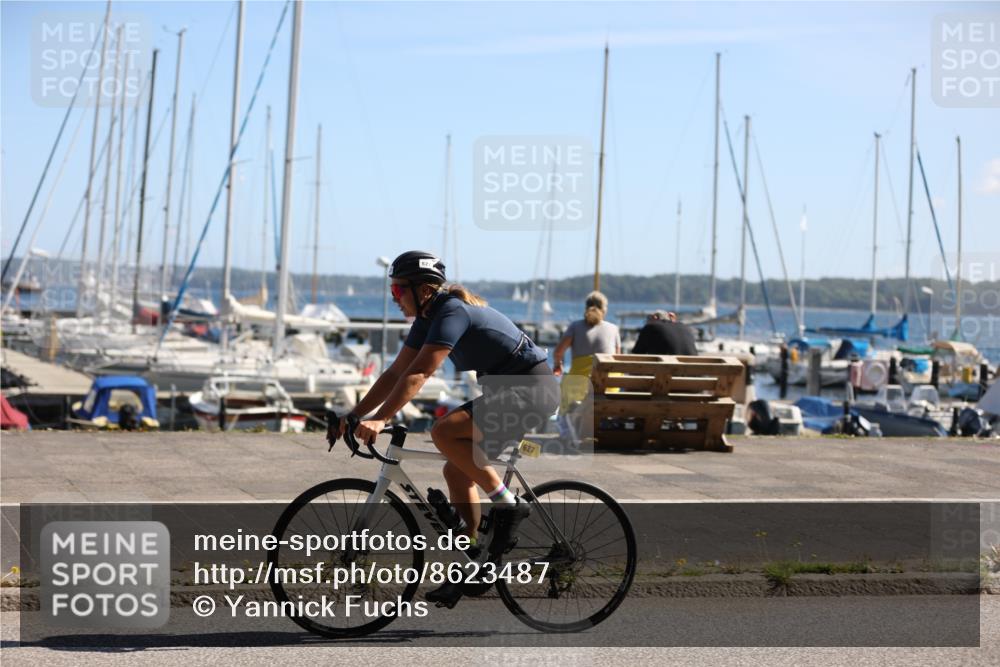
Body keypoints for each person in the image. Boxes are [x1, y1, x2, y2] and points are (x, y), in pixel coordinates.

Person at [330, 250, 558, 608]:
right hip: (508, 391)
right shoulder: (427, 317)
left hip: (531, 390)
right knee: (457, 470)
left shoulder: (451, 311)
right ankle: (471, 564)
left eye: (396, 292)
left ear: (422, 290)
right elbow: (394, 373)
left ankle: (509, 506)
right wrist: (356, 413)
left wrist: (382, 419)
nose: (394, 299)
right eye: (391, 292)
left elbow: (420, 375)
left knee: (444, 432)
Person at [551, 291, 620, 432]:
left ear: (586, 307)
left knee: (567, 382)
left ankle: (568, 430)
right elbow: (617, 359)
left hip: (579, 389)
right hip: (608, 388)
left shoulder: (575, 327)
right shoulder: (613, 329)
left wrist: (558, 364)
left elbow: (558, 352)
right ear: (604, 309)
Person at [631, 310, 698, 355]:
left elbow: (636, 354)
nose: (646, 323)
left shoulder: (651, 327)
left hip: (669, 372)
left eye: (647, 320)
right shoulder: (685, 327)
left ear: (655, 318)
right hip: (694, 373)